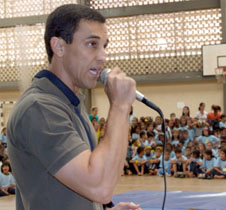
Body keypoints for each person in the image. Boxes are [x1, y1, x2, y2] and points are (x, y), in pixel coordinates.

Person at [7, 4, 140, 210]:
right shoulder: (40, 108)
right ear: (59, 46)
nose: (103, 56)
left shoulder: (70, 105)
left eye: (105, 46)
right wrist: (121, 106)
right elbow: (100, 187)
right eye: (92, 44)